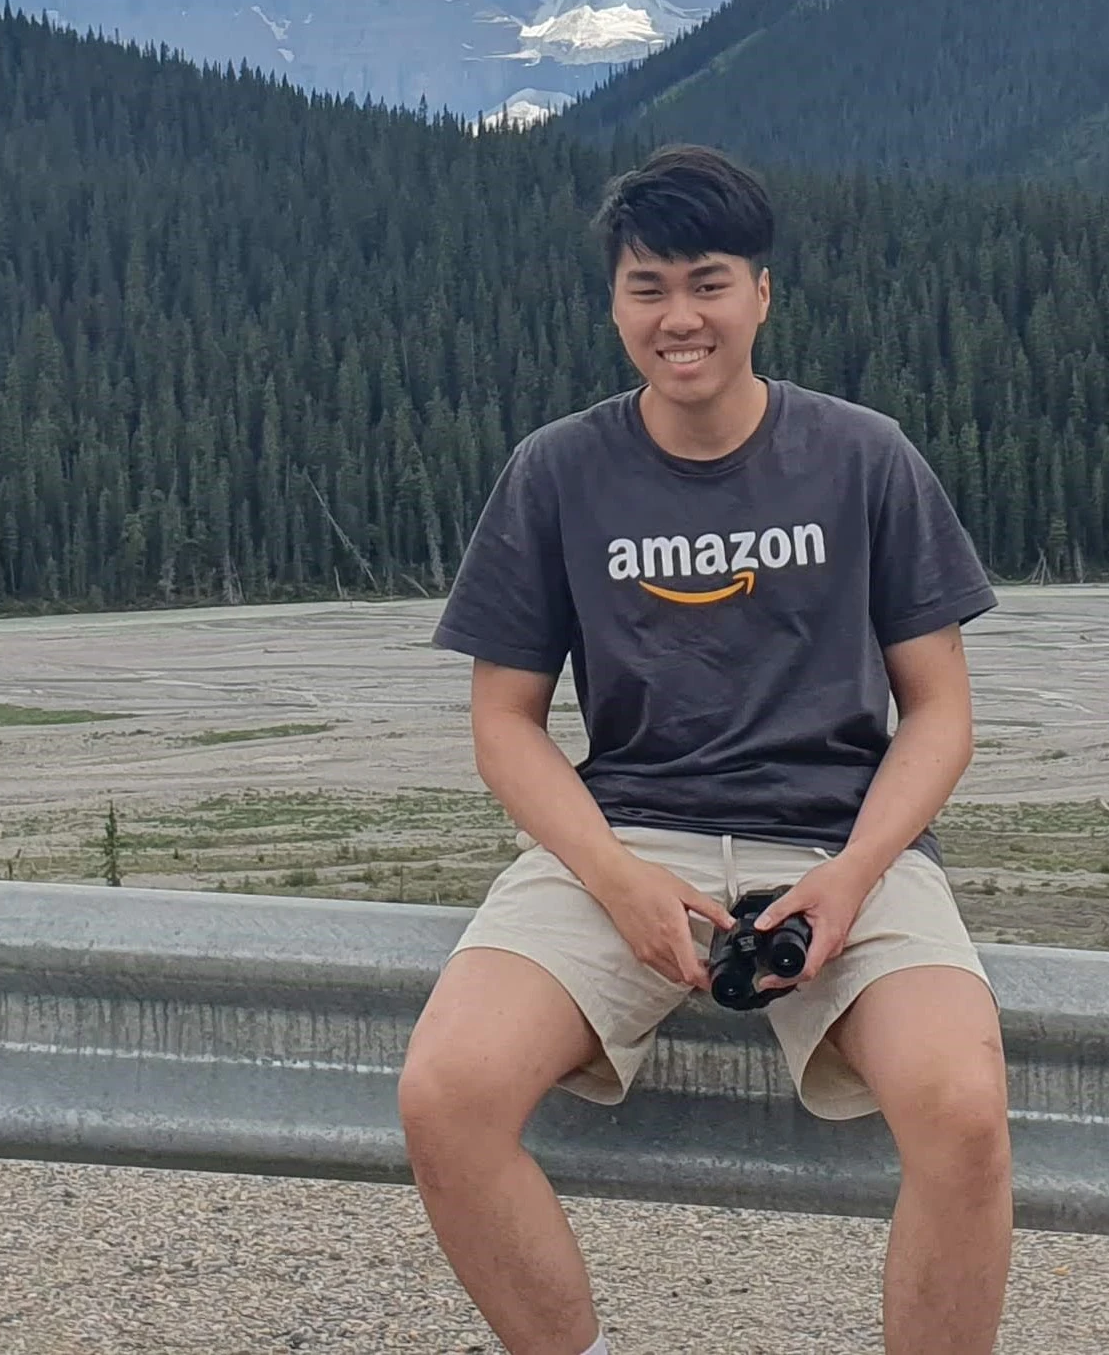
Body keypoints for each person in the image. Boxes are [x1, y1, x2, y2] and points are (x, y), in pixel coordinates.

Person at [398, 145, 1011, 1355]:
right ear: (615, 303)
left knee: (963, 1114)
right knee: (445, 1096)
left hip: (845, 845)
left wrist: (851, 877)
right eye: (647, 287)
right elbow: (503, 724)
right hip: (621, 836)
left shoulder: (863, 457)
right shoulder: (557, 472)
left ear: (761, 295)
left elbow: (938, 711)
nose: (678, 318)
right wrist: (615, 880)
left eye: (707, 282)